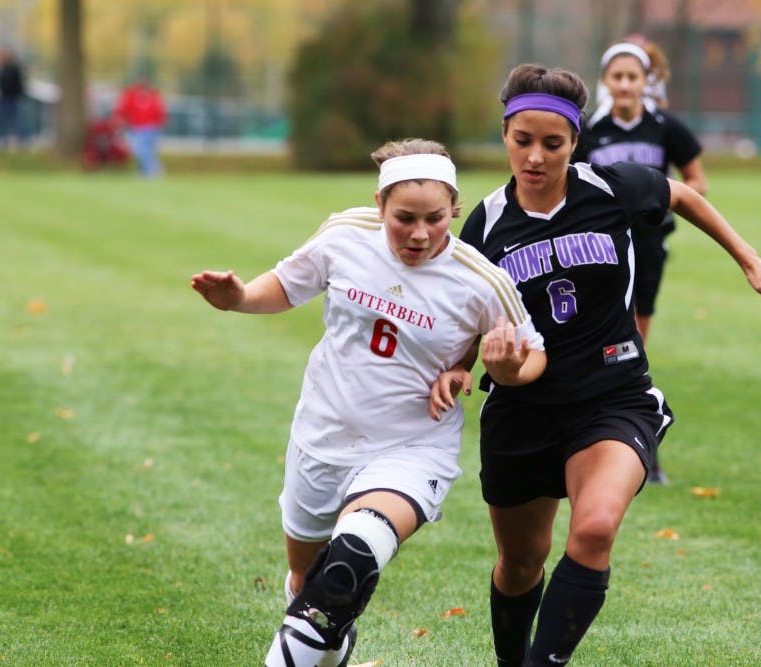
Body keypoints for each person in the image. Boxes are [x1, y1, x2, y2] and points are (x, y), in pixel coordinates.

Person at [443, 64, 761, 667]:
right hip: (523, 411)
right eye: (522, 141)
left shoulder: (613, 188)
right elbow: (473, 317)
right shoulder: (485, 223)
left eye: (553, 144)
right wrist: (463, 367)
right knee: (519, 564)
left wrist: (750, 259)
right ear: (505, 134)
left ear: (575, 141)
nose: (536, 157)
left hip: (611, 397)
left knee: (592, 531)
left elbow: (684, 193)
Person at [191, 138, 546, 667]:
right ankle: (332, 650)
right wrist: (239, 298)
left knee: (350, 562)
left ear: (453, 209)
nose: (420, 233)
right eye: (404, 218)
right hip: (322, 436)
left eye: (435, 218)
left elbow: (534, 354)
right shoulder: (346, 235)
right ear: (380, 205)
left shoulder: (480, 279)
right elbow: (289, 286)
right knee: (308, 584)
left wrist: (506, 367)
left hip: (411, 445)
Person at [574, 41, 708, 484]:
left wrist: (663, 204)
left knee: (633, 349)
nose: (626, 84)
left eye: (634, 77)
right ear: (606, 82)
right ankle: (598, 441)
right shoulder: (589, 132)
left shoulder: (665, 126)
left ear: (646, 81)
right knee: (602, 342)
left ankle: (641, 450)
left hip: (648, 249)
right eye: (618, 77)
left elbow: (696, 181)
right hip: (600, 251)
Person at [112, 78, 167, 177]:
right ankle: (147, 171)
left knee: (144, 150)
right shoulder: (132, 95)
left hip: (151, 127)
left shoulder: (153, 96)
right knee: (141, 150)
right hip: (138, 128)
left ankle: (152, 169)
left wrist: (160, 124)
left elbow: (160, 112)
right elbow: (123, 110)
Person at [0, 48, 28, 149]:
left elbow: (17, 84)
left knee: (15, 120)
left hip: (12, 98)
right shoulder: (1, 69)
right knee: (3, 121)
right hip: (3, 98)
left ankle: (21, 140)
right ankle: (1, 140)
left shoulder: (13, 69)